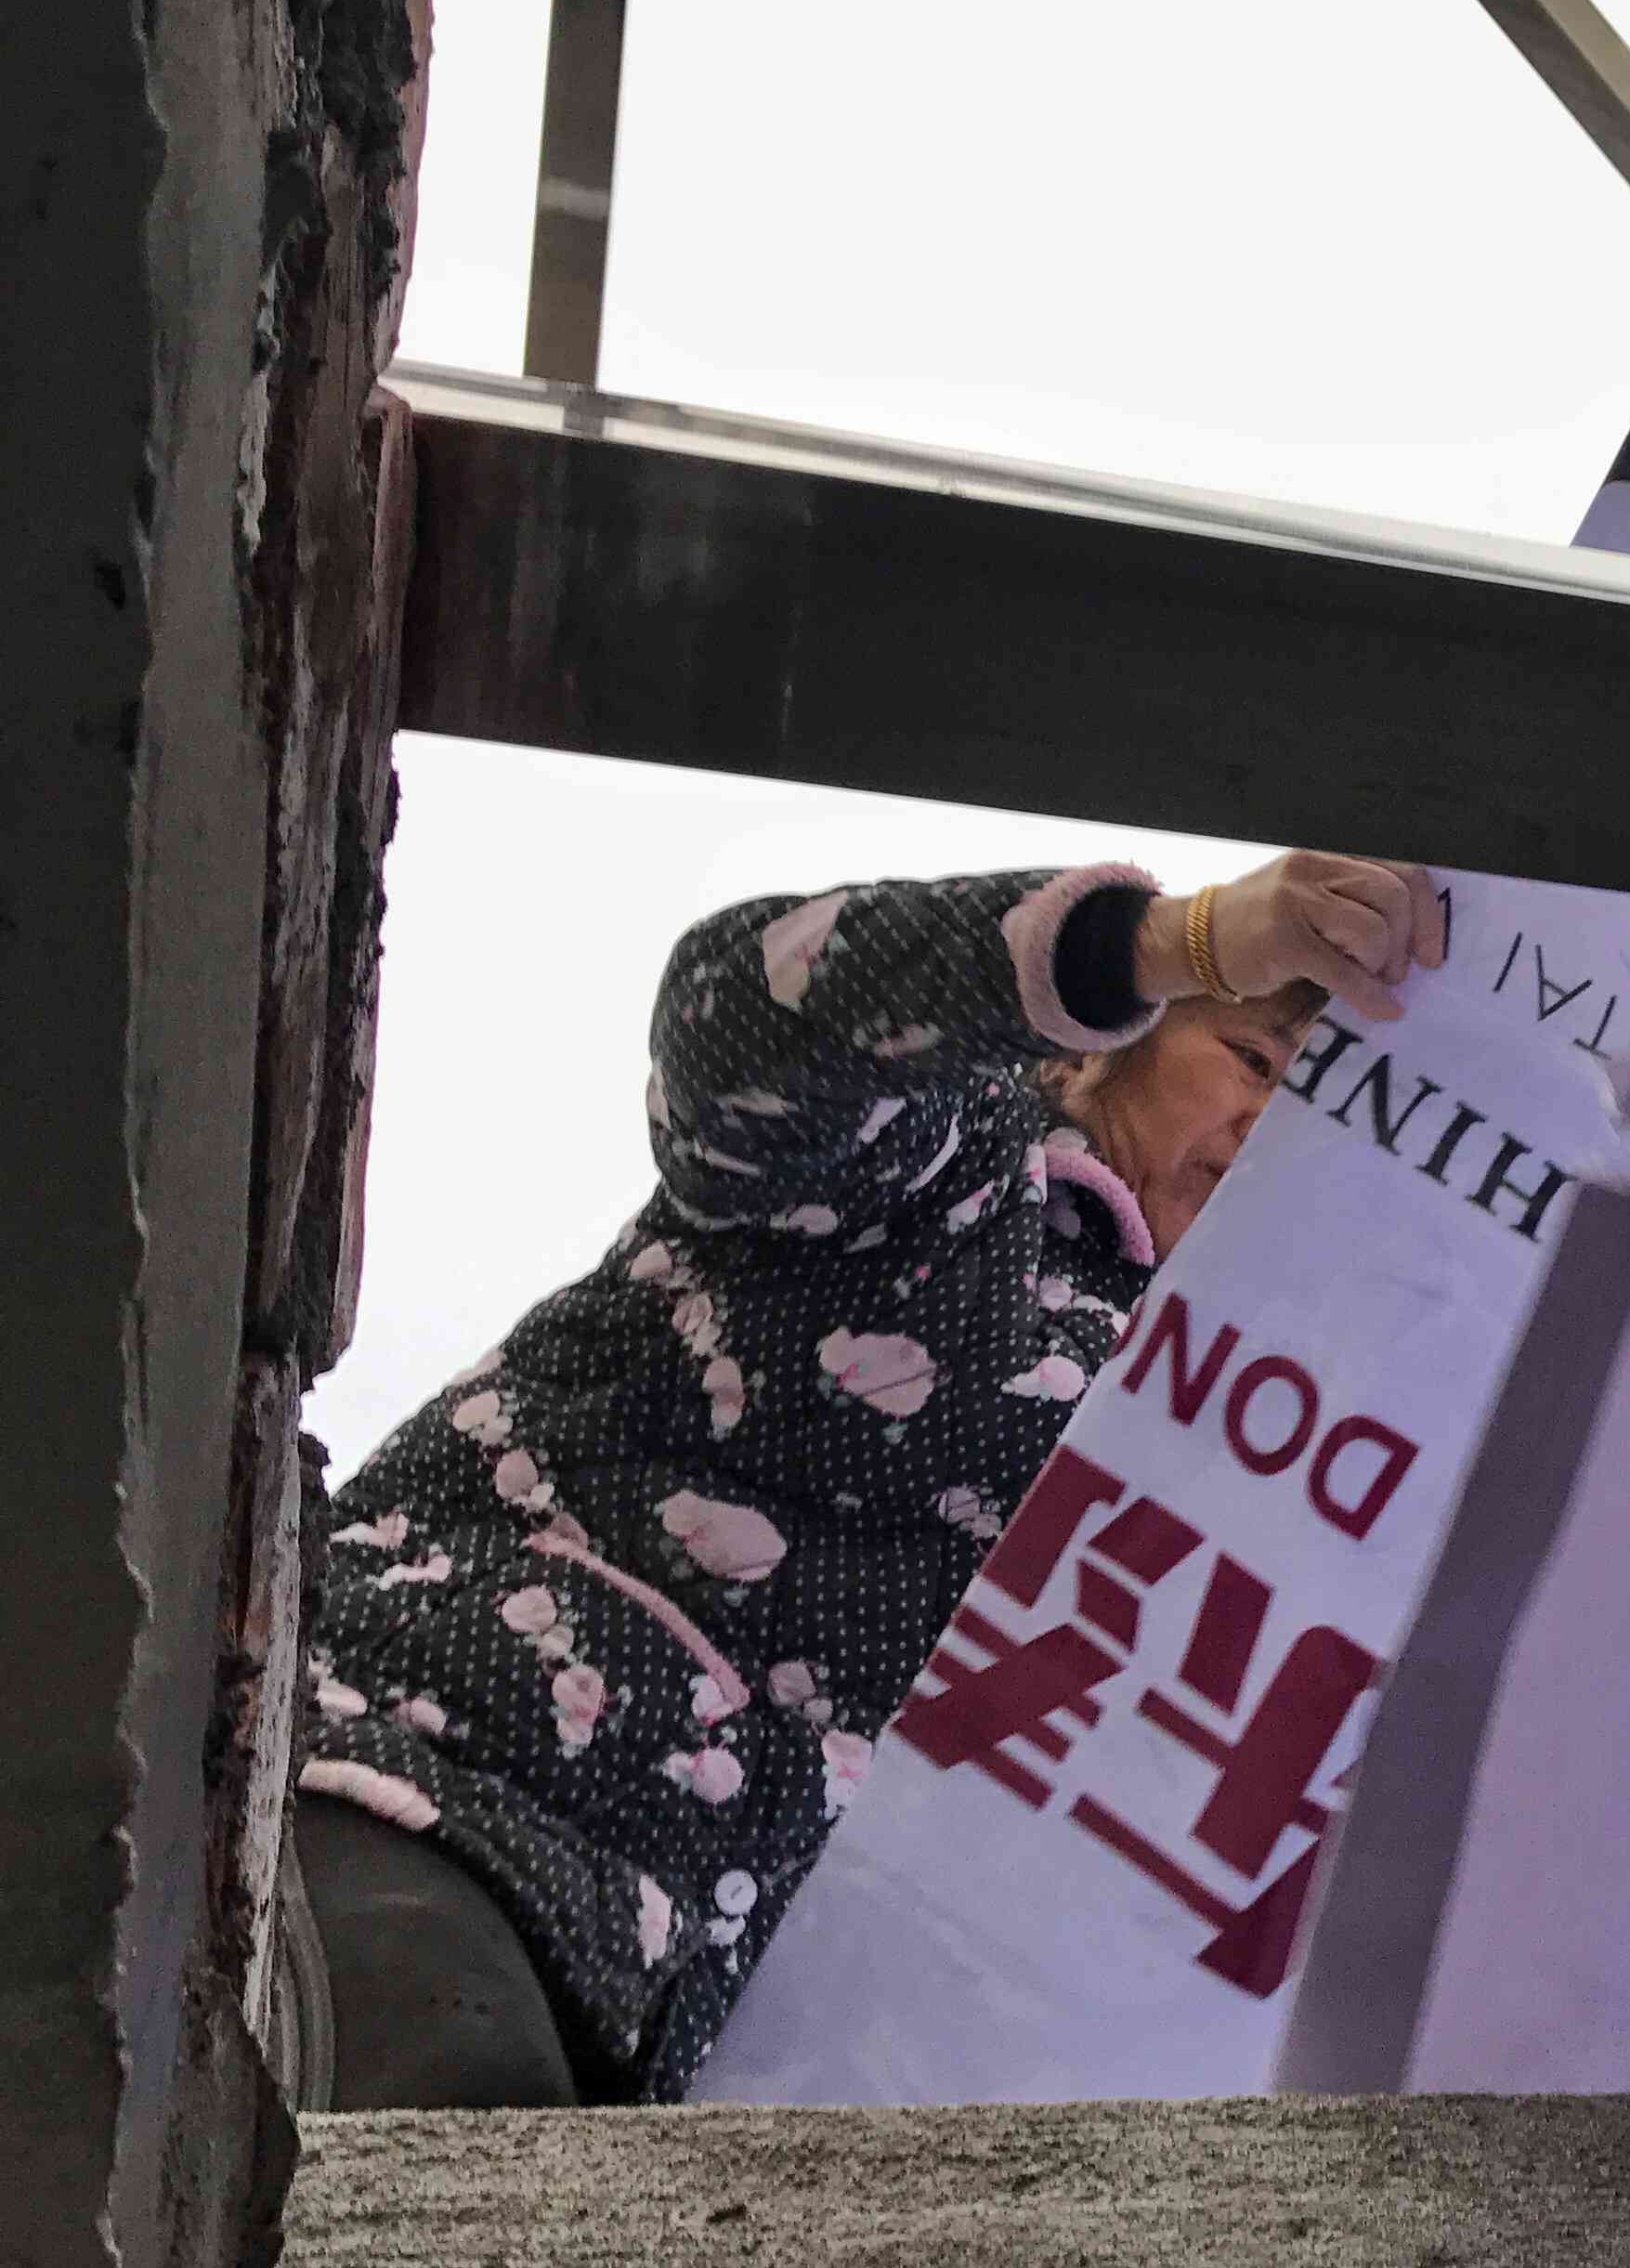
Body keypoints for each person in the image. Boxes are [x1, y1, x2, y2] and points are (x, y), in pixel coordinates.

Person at [283, 851, 1446, 2106]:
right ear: (1110, 1054)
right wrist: (1174, 942)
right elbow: (733, 1029)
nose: (1270, 1129)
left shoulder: (1279, 1460)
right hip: (444, 1780)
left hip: (700, 2029)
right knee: (453, 2131)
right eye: (1254, 1062)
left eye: (1324, 1115)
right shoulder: (961, 1168)